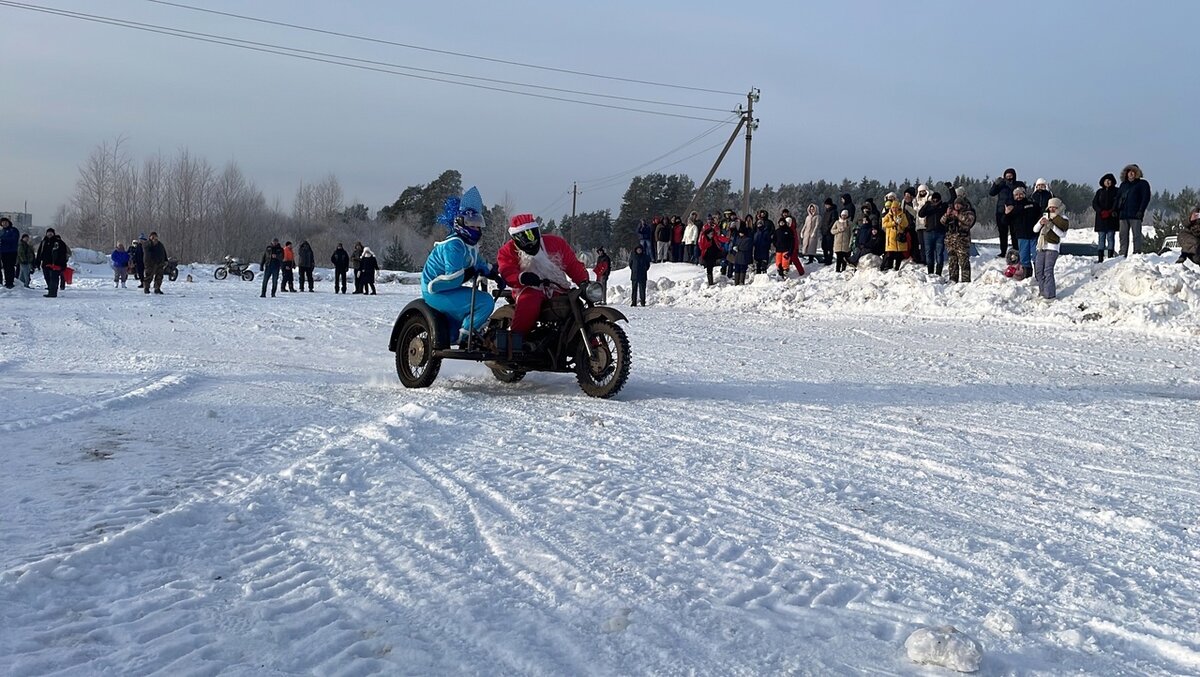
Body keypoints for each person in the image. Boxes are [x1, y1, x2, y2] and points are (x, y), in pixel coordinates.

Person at [496, 212, 588, 351]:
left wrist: (583, 281)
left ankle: (569, 339)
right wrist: (521, 277)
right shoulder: (508, 250)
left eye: (532, 234)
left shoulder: (556, 243)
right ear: (516, 237)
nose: (530, 240)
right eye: (525, 236)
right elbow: (506, 269)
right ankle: (515, 341)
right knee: (530, 301)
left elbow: (572, 264)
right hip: (526, 287)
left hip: (556, 285)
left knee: (572, 303)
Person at [421, 188, 500, 345]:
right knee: (484, 302)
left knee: (480, 300)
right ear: (460, 223)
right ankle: (464, 337)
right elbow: (452, 278)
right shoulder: (454, 245)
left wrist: (494, 273)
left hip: (449, 290)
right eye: (473, 224)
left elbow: (480, 263)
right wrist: (470, 272)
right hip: (436, 291)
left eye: (478, 225)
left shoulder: (468, 245)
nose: (477, 229)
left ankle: (464, 332)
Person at [1034, 197, 1069, 300]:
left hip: (1053, 247)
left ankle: (1050, 295)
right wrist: (1041, 223)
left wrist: (1051, 225)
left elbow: (1062, 234)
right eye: (1050, 207)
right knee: (1039, 271)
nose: (1052, 209)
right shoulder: (1045, 216)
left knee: (1048, 270)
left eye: (1054, 207)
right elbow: (1035, 230)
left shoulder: (1063, 219)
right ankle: (1042, 291)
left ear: (1058, 207)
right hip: (1041, 246)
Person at [989, 168, 1026, 257]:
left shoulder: (1018, 184)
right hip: (1001, 212)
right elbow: (991, 193)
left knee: (1015, 233)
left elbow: (1023, 194)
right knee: (1002, 233)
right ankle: (1003, 251)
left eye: (1011, 176)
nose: (1009, 178)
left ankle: (1016, 250)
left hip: (1015, 211)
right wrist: (995, 184)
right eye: (1007, 176)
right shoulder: (1001, 185)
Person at [1116, 163, 1151, 256]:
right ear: (1126, 174)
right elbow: (1117, 198)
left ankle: (1137, 254)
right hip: (1123, 214)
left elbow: (1145, 198)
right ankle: (1122, 254)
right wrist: (1115, 210)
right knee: (1123, 236)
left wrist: (1141, 211)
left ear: (1137, 173)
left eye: (1133, 172)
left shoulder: (1142, 184)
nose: (1131, 174)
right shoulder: (1123, 185)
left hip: (1135, 214)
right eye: (1129, 172)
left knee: (1136, 236)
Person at [1006, 186, 1041, 279]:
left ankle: (1039, 277)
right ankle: (1027, 277)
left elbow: (1040, 216)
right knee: (1024, 258)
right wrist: (1007, 213)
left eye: (1021, 194)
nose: (1019, 196)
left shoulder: (1033, 205)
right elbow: (1005, 222)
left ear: (1024, 194)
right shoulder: (1013, 208)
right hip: (1021, 236)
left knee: (1036, 256)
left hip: (1034, 235)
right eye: (1016, 195)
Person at [942, 196, 977, 283]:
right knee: (952, 262)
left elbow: (968, 221)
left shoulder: (968, 212)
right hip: (951, 241)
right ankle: (953, 279)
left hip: (962, 241)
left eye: (959, 204)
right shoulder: (951, 212)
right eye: (955, 204)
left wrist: (958, 215)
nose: (957, 206)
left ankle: (965, 280)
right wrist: (947, 214)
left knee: (964, 262)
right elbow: (942, 221)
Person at [919, 191, 949, 276]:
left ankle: (938, 273)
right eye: (934, 199)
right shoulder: (929, 207)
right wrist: (927, 204)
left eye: (937, 199)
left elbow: (952, 199)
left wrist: (950, 189)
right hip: (928, 232)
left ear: (940, 200)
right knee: (929, 253)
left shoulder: (943, 206)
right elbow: (920, 214)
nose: (935, 201)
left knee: (939, 253)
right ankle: (930, 273)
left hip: (940, 233)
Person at [1092, 173, 1120, 262]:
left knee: (1111, 238)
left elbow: (1118, 203)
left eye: (1109, 181)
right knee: (1101, 238)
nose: (1108, 182)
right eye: (1106, 181)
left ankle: (1110, 257)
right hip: (1101, 219)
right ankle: (1100, 258)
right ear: (1103, 182)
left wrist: (1111, 211)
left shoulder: (1116, 191)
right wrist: (1101, 211)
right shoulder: (1099, 192)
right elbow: (1094, 203)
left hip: (1112, 218)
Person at [35, 228, 69, 297]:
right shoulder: (44, 242)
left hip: (55, 264)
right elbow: (39, 252)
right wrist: (37, 262)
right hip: (45, 263)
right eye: (48, 233)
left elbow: (63, 253)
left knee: (54, 278)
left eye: (51, 233)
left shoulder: (58, 242)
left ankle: (53, 293)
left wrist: (62, 263)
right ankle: (51, 290)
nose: (49, 234)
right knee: (47, 278)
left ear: (53, 234)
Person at [881, 200, 909, 272]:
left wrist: (900, 223)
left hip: (899, 237)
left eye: (896, 207)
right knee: (890, 254)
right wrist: (893, 223)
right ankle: (889, 267)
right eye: (893, 207)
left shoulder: (902, 215)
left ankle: (897, 268)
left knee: (899, 255)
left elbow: (906, 224)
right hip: (890, 238)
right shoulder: (888, 215)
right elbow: (884, 224)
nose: (894, 209)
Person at [773, 209, 802, 278]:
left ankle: (800, 272)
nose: (785, 214)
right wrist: (776, 245)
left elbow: (793, 238)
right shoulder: (778, 230)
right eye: (784, 213)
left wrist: (792, 247)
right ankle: (781, 273)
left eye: (786, 213)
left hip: (788, 247)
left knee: (792, 259)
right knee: (779, 262)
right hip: (779, 249)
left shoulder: (790, 229)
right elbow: (774, 239)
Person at [698, 221, 727, 286]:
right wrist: (709, 243)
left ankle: (722, 266)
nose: (712, 235)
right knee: (709, 268)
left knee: (724, 255)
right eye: (711, 234)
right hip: (707, 255)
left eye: (712, 234)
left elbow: (720, 238)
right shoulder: (704, 238)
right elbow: (702, 246)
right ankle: (710, 282)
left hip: (715, 253)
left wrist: (728, 239)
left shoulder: (714, 237)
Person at [0, 216, 18, 288]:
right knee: (5, 267)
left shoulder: (13, 230)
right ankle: (6, 281)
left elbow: (14, 239)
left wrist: (3, 239)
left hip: (11, 251)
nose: (4, 224)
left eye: (5, 222)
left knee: (10, 267)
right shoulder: (1, 231)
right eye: (2, 222)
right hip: (3, 251)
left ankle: (10, 282)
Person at [820, 198, 837, 265]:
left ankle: (829, 259)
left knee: (829, 246)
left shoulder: (834, 212)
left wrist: (828, 228)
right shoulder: (826, 212)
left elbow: (833, 221)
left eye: (827, 204)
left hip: (829, 232)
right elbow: (824, 221)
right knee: (824, 246)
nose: (826, 206)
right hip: (824, 231)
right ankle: (825, 258)